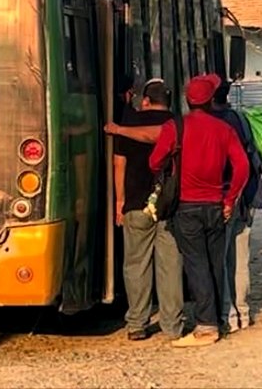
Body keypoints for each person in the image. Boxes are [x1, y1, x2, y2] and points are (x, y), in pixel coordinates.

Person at [147, 74, 249, 347]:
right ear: (210, 99)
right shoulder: (223, 130)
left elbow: (154, 162)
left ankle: (205, 327)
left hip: (186, 207)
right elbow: (242, 166)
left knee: (196, 265)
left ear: (188, 99)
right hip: (216, 206)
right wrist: (229, 200)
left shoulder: (174, 128)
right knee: (215, 264)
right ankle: (217, 319)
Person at [102, 79, 182, 341]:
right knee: (169, 265)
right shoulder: (177, 122)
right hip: (171, 206)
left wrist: (119, 202)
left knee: (136, 264)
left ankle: (137, 322)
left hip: (136, 203)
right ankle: (172, 325)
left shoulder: (130, 123)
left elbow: (118, 165)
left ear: (145, 101)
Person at [209, 78, 260, 333]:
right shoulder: (240, 119)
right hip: (245, 195)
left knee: (222, 256)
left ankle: (228, 314)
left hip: (224, 196)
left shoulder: (213, 123)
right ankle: (243, 311)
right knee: (241, 256)